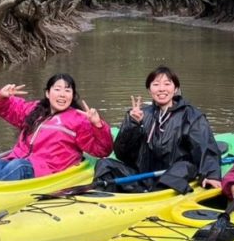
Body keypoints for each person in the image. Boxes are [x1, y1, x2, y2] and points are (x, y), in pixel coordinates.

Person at [93, 65, 222, 193]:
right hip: (143, 175)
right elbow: (122, 155)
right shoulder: (140, 114)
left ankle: (156, 194)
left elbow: (205, 146)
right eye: (156, 85)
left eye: (167, 84)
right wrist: (133, 125)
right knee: (104, 165)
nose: (161, 89)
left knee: (183, 167)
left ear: (175, 88)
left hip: (174, 175)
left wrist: (211, 173)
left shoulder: (191, 115)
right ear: (149, 90)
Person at [0, 73, 113, 181]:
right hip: (19, 160)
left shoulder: (79, 119)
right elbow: (6, 108)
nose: (62, 94)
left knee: (18, 166)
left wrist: (97, 125)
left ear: (72, 95)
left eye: (67, 91)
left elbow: (101, 150)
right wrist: (1, 96)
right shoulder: (34, 110)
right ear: (47, 93)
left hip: (48, 169)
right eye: (57, 89)